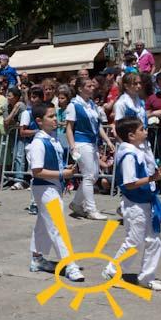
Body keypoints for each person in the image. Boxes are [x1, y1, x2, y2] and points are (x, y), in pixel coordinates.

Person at [102, 117, 161, 291]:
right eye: (142, 129)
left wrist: (154, 177)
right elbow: (129, 183)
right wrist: (152, 178)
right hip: (135, 204)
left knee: (154, 240)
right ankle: (112, 271)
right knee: (134, 241)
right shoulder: (129, 155)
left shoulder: (138, 150)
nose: (145, 131)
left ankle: (147, 277)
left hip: (145, 200)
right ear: (131, 135)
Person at [26, 103, 84, 282]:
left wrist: (64, 169)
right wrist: (61, 174)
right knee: (57, 226)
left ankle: (37, 258)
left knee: (44, 224)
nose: (55, 120)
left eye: (55, 116)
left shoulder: (53, 139)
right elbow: (37, 171)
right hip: (44, 188)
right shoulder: (38, 143)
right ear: (39, 121)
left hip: (53, 186)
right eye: (50, 116)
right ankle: (70, 265)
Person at [65, 77, 113, 220]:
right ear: (80, 89)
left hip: (92, 143)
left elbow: (98, 126)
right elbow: (69, 128)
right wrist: (73, 147)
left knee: (94, 176)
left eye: (92, 86)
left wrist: (107, 140)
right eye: (89, 86)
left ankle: (76, 203)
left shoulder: (92, 104)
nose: (92, 88)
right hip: (81, 143)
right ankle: (91, 209)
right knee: (89, 176)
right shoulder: (73, 105)